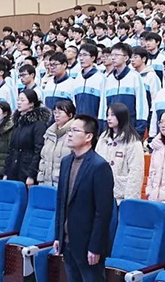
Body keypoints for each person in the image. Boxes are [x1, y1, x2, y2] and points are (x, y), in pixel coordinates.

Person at [54, 114, 115, 282]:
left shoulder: (99, 166)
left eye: (75, 130)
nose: (70, 134)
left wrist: (95, 247)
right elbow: (61, 202)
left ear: (88, 137)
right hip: (67, 241)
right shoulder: (66, 162)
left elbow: (103, 212)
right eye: (69, 130)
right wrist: (58, 236)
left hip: (88, 244)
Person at [95, 103, 145, 202]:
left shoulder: (133, 141)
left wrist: (130, 201)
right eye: (108, 115)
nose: (109, 118)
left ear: (122, 116)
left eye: (113, 115)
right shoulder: (104, 137)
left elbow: (136, 173)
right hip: (101, 193)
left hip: (120, 195)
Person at [102, 43, 149, 135]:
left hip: (130, 127)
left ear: (126, 58)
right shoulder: (108, 79)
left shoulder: (134, 77)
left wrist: (140, 126)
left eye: (116, 55)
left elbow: (141, 103)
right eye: (112, 55)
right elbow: (104, 105)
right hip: (112, 129)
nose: (113, 58)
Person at [4, 89, 49, 185]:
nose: (19, 103)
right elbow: (11, 149)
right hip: (14, 169)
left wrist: (31, 175)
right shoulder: (18, 122)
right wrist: (6, 172)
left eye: (22, 100)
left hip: (26, 170)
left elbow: (38, 150)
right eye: (18, 100)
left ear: (31, 104)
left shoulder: (38, 124)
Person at [38, 100, 75, 187]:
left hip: (64, 184)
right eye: (55, 112)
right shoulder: (49, 133)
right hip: (45, 183)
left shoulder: (73, 134)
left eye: (60, 113)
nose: (56, 115)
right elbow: (43, 159)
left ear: (70, 115)